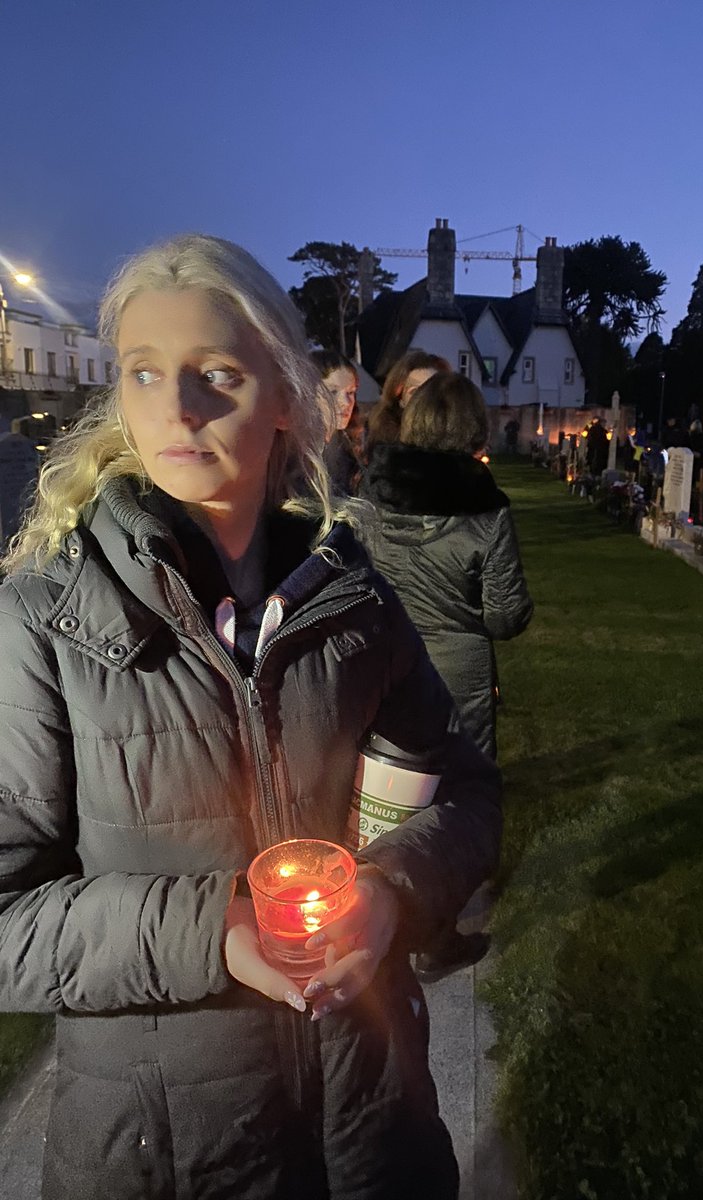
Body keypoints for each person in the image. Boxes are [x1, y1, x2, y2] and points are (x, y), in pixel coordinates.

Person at [0, 234, 501, 1200]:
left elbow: (467, 787)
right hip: (168, 1154)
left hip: (370, 1126)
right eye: (143, 374)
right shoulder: (45, 619)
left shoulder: (352, 599)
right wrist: (207, 930)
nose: (176, 409)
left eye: (217, 375)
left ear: (285, 399)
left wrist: (395, 891)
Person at [357, 372, 532, 978]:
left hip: (387, 662)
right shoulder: (484, 509)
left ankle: (378, 913)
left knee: (393, 794)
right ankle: (435, 934)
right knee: (459, 798)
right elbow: (508, 614)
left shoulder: (372, 496)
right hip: (458, 670)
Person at [365, 349, 450, 456]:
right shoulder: (384, 451)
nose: (423, 398)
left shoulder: (457, 448)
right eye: (415, 391)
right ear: (400, 399)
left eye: (431, 391)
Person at [310, 348, 363, 495]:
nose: (346, 402)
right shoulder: (295, 450)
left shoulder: (350, 444)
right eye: (333, 392)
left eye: (350, 392)